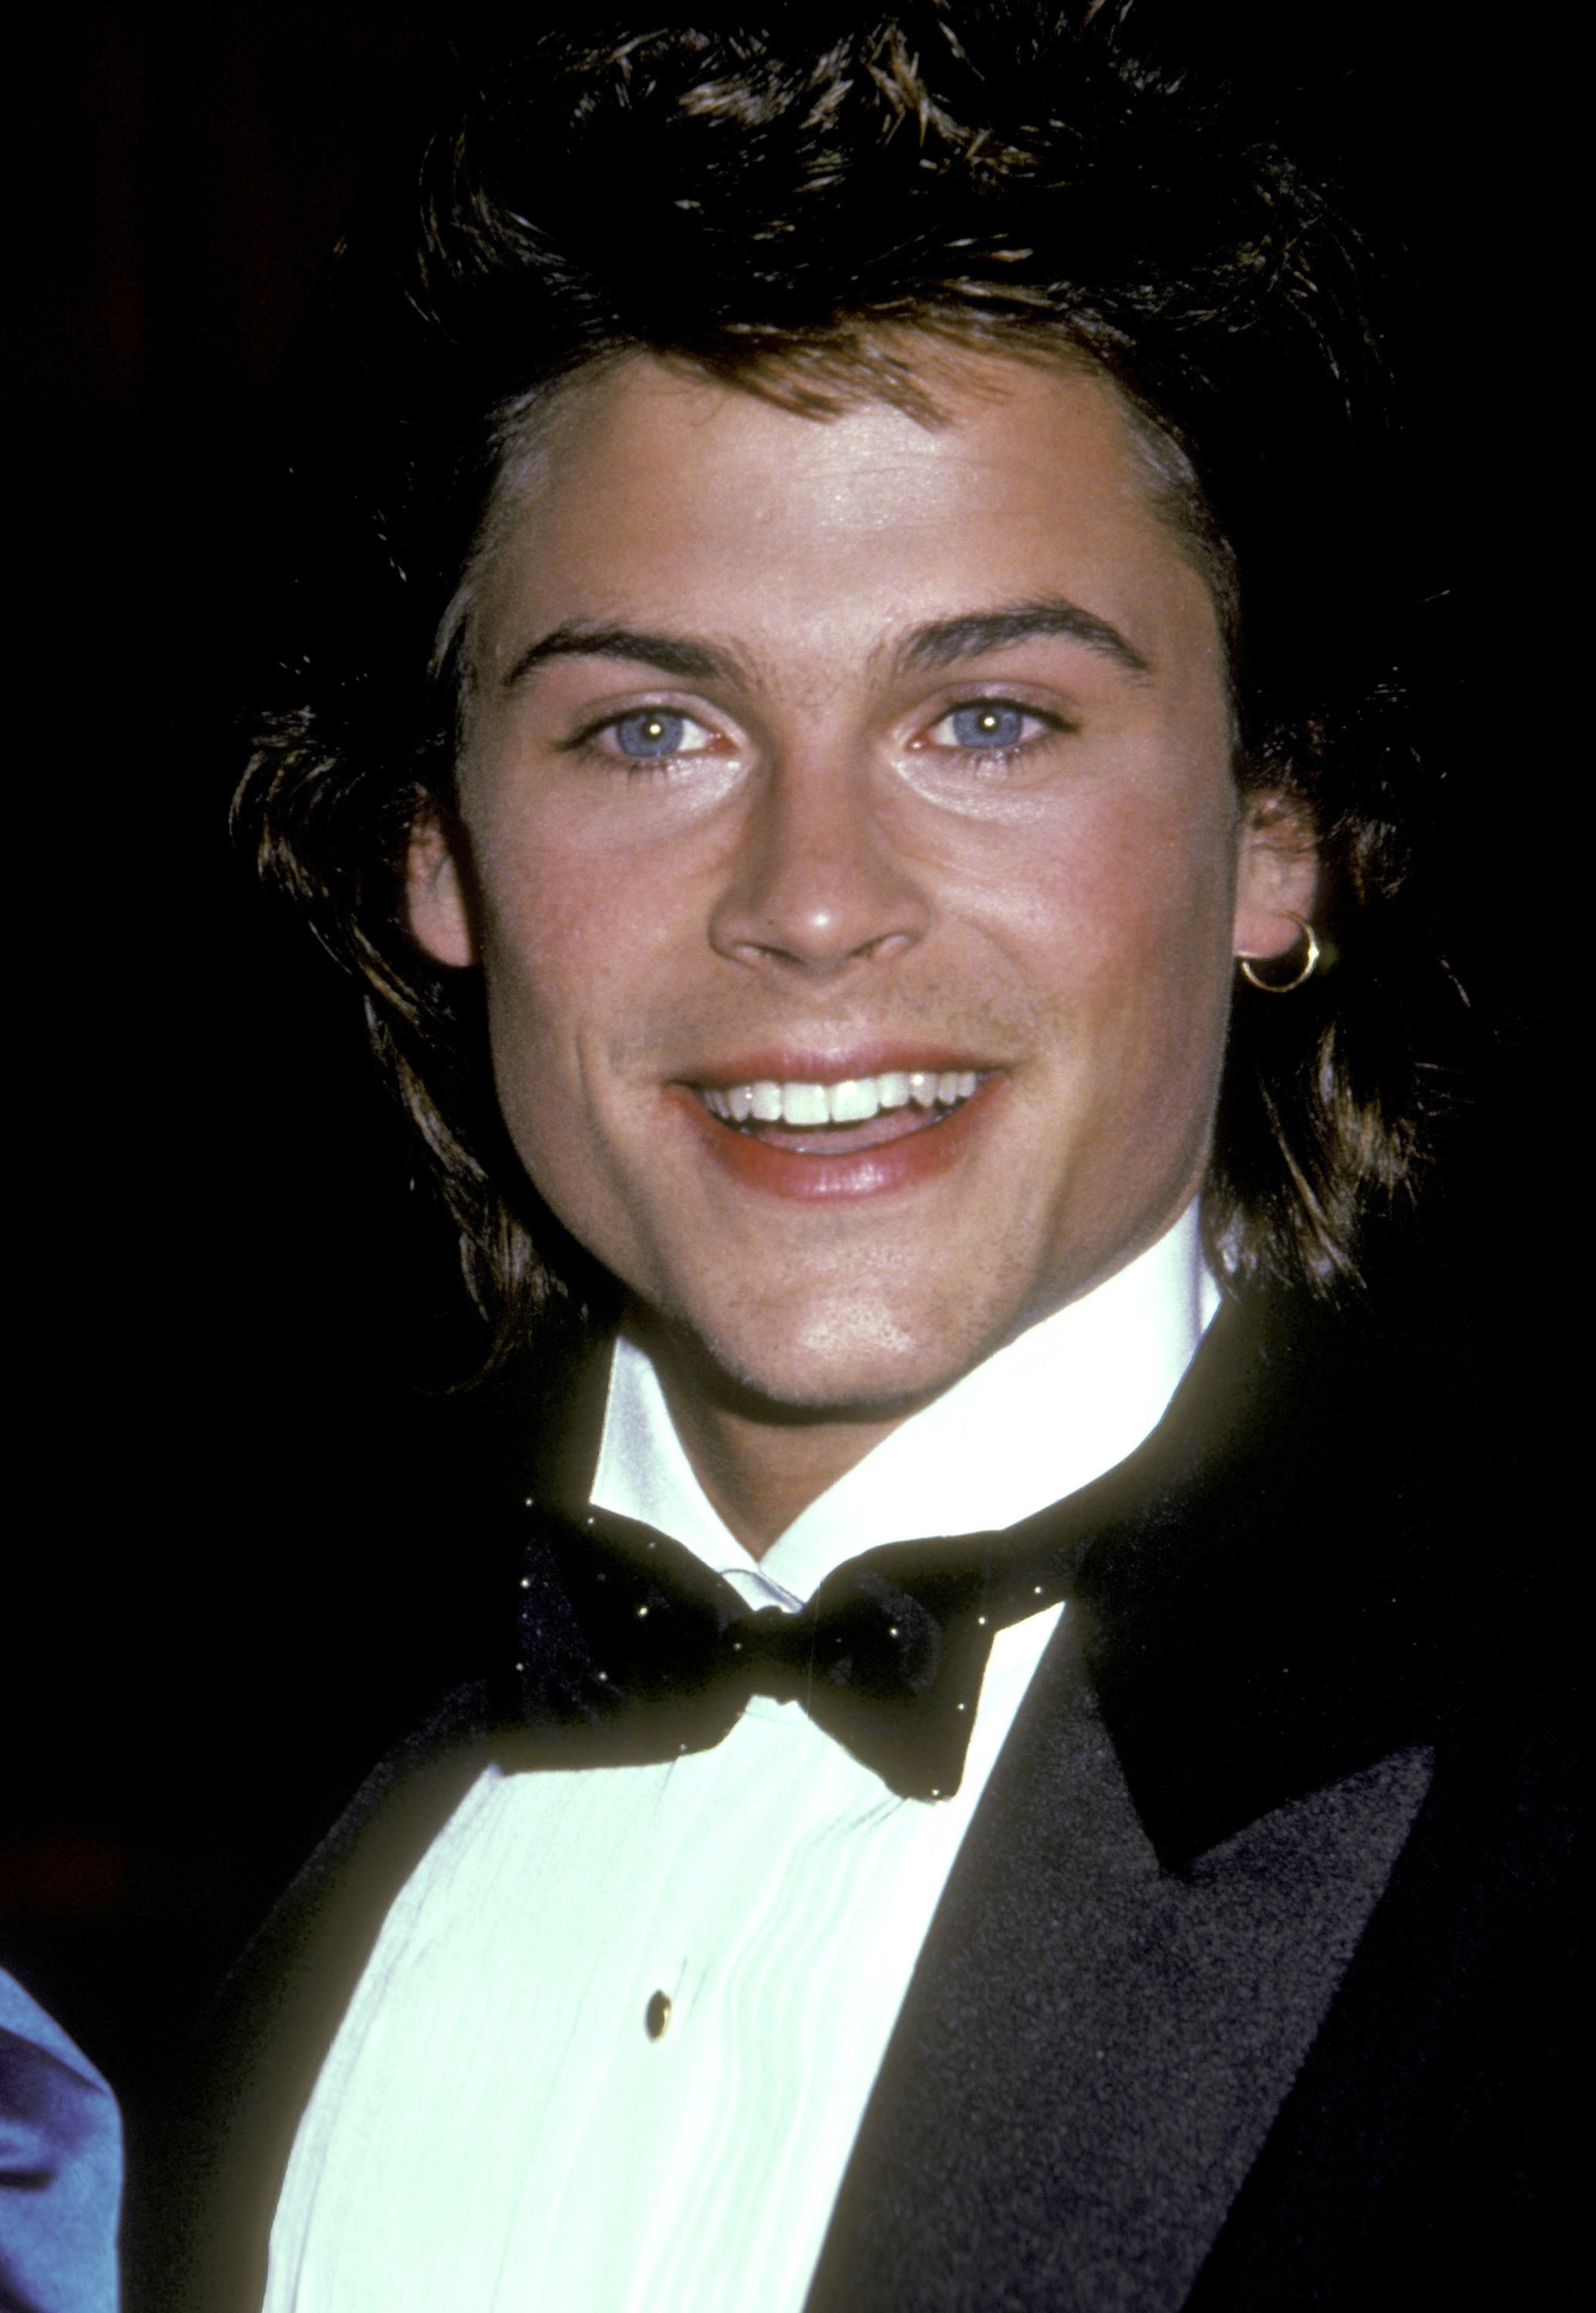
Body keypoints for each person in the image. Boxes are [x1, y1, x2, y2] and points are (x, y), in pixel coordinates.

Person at [140, 8, 1573, 2308]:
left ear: (1277, 826)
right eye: (651, 727)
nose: (812, 897)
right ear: (436, 847)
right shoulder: (189, 1864)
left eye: (987, 717)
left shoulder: (1534, 1830)